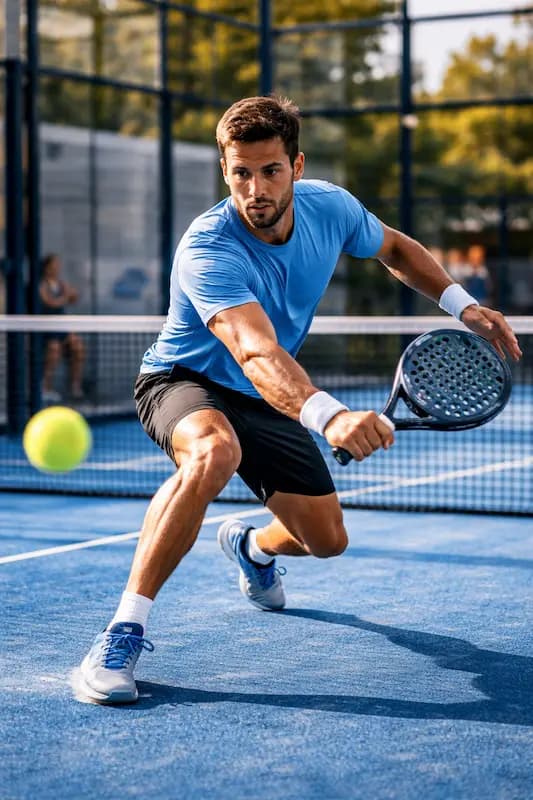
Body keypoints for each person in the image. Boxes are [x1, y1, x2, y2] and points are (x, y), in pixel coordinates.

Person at [77, 96, 521, 705]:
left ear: (297, 166)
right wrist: (331, 416)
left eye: (270, 170)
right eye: (240, 172)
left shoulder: (330, 209)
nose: (254, 188)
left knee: (327, 540)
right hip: (185, 381)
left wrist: (461, 305)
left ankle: (252, 545)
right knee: (214, 451)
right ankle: (120, 634)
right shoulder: (208, 247)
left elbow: (394, 248)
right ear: (224, 170)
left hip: (269, 395)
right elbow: (255, 352)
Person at [39, 253, 85, 402]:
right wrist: (65, 298)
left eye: (57, 265)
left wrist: (69, 296)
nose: (56, 268)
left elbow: (73, 296)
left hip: (61, 326)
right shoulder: (42, 284)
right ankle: (45, 388)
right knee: (54, 350)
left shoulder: (61, 283)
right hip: (46, 328)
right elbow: (49, 302)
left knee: (77, 347)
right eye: (53, 265)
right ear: (46, 267)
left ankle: (75, 387)